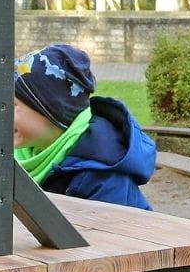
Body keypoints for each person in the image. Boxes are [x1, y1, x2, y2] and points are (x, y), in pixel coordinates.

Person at [11, 44, 156, 208]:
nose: (1, 113)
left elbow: (113, 231)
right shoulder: (21, 154)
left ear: (50, 112)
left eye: (12, 105)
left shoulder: (101, 178)